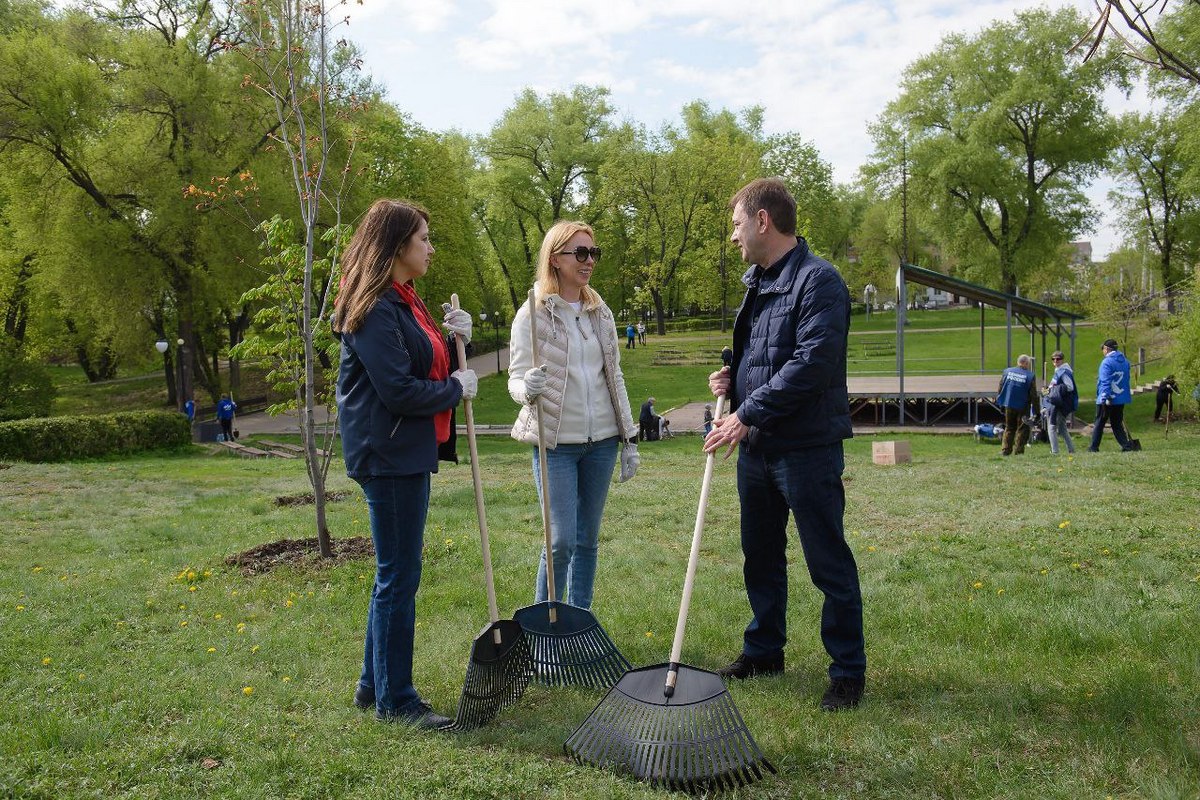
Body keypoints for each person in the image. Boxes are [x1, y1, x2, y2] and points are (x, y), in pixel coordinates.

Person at [704, 178, 865, 712]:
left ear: (762, 221)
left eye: (736, 224)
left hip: (806, 449)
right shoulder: (757, 281)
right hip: (757, 451)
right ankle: (764, 650)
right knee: (761, 556)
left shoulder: (819, 281)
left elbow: (811, 365)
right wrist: (734, 378)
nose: (734, 237)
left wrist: (747, 414)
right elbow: (764, 354)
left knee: (827, 562)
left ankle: (847, 671)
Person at [333, 199, 477, 729]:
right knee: (399, 576)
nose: (431, 246)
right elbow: (398, 390)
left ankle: (374, 687)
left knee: (392, 574)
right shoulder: (373, 308)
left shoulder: (403, 300)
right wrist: (453, 389)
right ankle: (398, 701)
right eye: (424, 238)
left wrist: (457, 337)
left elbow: (424, 359)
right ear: (397, 247)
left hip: (401, 451)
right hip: (387, 453)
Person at [508, 220, 639, 610]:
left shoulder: (600, 312)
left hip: (601, 442)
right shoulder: (532, 313)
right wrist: (525, 389)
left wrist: (628, 439)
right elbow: (516, 378)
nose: (589, 261)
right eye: (580, 253)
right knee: (560, 540)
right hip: (556, 445)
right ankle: (546, 626)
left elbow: (614, 376)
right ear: (555, 258)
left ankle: (579, 621)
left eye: (593, 253)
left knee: (587, 540)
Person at [1089, 338, 1134, 452]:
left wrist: (1104, 397)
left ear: (1107, 349)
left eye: (1103, 348)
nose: (1102, 351)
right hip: (1120, 398)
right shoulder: (1125, 361)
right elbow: (1127, 378)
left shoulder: (1106, 362)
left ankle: (1094, 447)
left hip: (1108, 398)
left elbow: (1105, 381)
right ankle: (1126, 446)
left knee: (1099, 423)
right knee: (1117, 423)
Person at [996, 355, 1038, 456]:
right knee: (1022, 429)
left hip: (1009, 404)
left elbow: (1000, 388)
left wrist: (1000, 402)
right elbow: (1033, 395)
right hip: (1023, 406)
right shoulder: (1030, 376)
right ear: (1027, 364)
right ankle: (1018, 451)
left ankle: (1005, 450)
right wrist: (1037, 411)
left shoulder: (1007, 371)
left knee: (1009, 427)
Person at [1045, 351, 1077, 455]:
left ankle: (1055, 452)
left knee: (1052, 426)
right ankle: (1071, 450)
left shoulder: (1063, 372)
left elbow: (1069, 387)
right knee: (1062, 428)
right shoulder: (1059, 370)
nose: (1055, 361)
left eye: (1058, 359)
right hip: (1059, 402)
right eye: (1053, 359)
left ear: (1062, 360)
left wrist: (1055, 389)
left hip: (1061, 403)